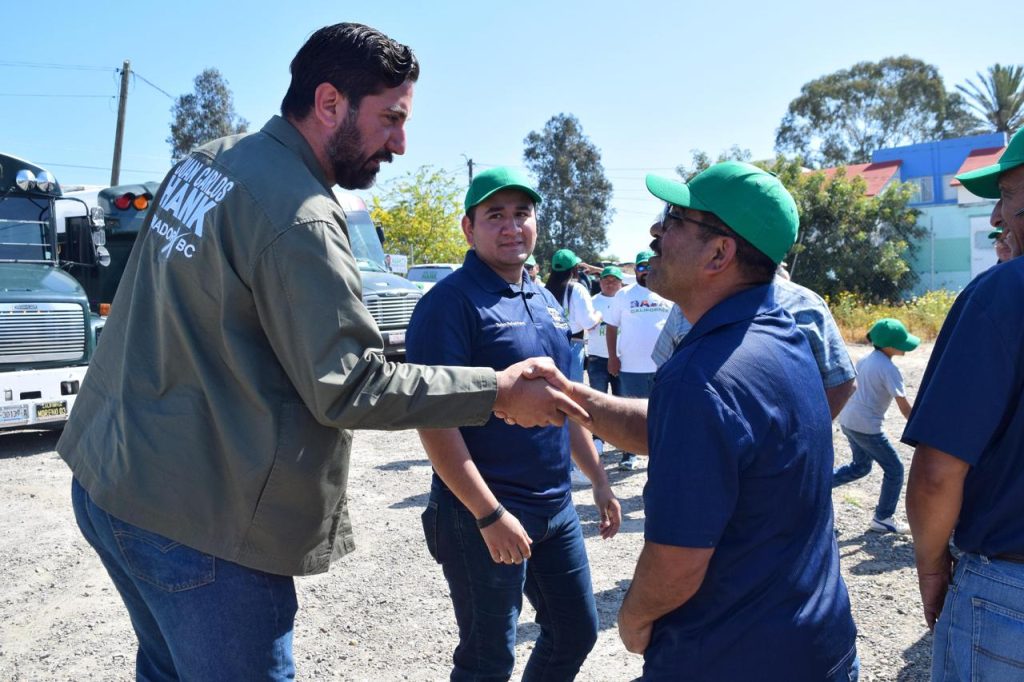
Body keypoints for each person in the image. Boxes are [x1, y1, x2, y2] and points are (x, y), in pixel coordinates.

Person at [56, 24, 584, 681]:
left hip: (113, 480)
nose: (401, 143)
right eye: (390, 119)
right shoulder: (301, 215)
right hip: (199, 526)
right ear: (329, 102)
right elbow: (351, 385)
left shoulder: (209, 160)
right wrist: (498, 393)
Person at [515, 162, 858, 680]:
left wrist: (631, 620)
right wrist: (570, 397)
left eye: (674, 219)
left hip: (733, 659)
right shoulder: (781, 336)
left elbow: (677, 561)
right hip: (812, 645)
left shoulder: (703, 376)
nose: (656, 231)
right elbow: (680, 427)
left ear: (720, 253)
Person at [407, 167, 621, 681]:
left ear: (536, 225)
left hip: (555, 508)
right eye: (495, 215)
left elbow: (568, 408)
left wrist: (599, 480)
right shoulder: (448, 304)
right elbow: (434, 422)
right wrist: (488, 514)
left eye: (522, 214)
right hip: (485, 511)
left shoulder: (546, 302)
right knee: (487, 660)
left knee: (576, 631)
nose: (511, 227)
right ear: (468, 228)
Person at [903, 127, 1024, 681]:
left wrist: (931, 568)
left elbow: (936, 472)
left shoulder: (1000, 294)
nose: (998, 215)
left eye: (1006, 194)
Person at [652, 269, 856, 419]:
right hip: (698, 444)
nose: (657, 231)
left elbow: (841, 383)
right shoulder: (684, 305)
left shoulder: (806, 305)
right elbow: (663, 369)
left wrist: (799, 436)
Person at [832, 318, 918, 534]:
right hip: (867, 427)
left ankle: (815, 485)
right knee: (895, 469)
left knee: (860, 467)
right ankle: (883, 518)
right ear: (889, 345)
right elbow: (905, 409)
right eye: (901, 341)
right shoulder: (889, 369)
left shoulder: (865, 360)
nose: (905, 345)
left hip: (849, 421)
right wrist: (923, 434)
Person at [604, 249, 671, 470]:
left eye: (649, 267)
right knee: (631, 414)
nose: (646, 271)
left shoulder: (668, 291)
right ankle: (628, 455)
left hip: (664, 366)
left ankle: (660, 454)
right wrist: (612, 357)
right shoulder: (624, 295)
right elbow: (612, 327)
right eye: (641, 267)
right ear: (635, 270)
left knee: (663, 412)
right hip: (631, 366)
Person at [587, 265, 625, 455]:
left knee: (622, 402)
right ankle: (597, 441)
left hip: (623, 359)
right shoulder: (592, 301)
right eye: (606, 280)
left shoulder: (625, 300)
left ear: (621, 283)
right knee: (598, 402)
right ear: (600, 282)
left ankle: (625, 442)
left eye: (614, 280)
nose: (610, 284)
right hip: (597, 358)